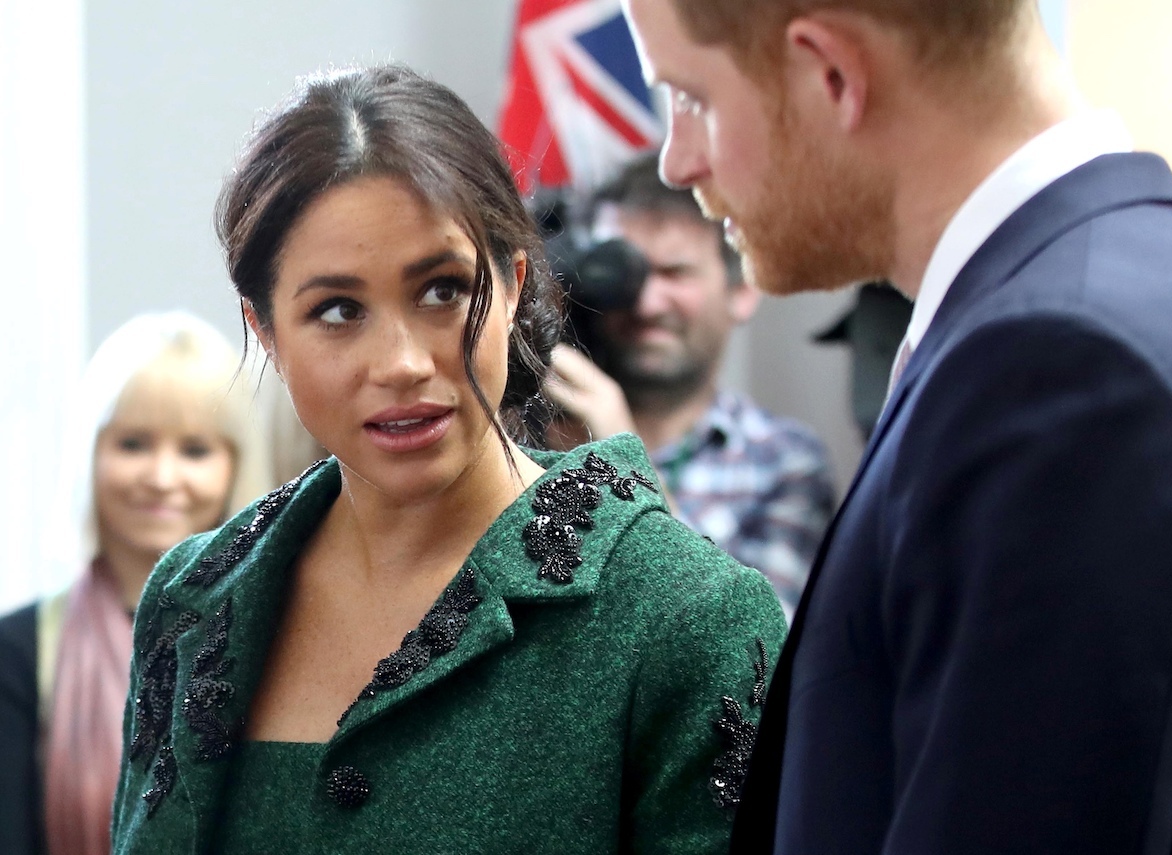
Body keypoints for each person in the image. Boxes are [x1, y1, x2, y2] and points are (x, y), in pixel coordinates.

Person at [109, 65, 786, 855]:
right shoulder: (193, 596)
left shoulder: (687, 617)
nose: (399, 361)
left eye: (440, 291)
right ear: (265, 331)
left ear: (514, 283)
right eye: (337, 310)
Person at [620, 0, 1172, 852]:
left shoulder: (1061, 367)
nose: (678, 160)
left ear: (832, 74)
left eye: (691, 97)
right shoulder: (1070, 307)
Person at [0, 311, 271, 855]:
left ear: (236, 466)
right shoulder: (20, 651)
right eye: (133, 444)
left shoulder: (284, 636)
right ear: (90, 455)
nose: (162, 477)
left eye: (195, 450)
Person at [544, 153, 834, 617]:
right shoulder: (530, 429)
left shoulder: (781, 461)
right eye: (625, 269)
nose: (646, 301)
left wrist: (624, 463)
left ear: (741, 292)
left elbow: (764, 655)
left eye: (674, 273)